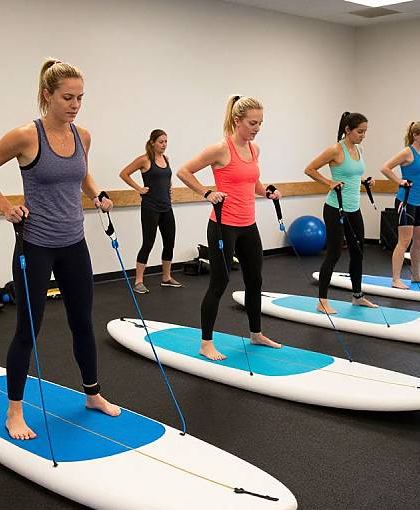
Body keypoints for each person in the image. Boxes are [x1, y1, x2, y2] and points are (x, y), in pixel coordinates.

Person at [0, 58, 120, 441]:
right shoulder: (25, 136)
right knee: (28, 330)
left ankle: (93, 394)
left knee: (83, 323)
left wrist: (97, 193)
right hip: (35, 245)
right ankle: (14, 412)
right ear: (46, 96)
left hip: (74, 243)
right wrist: (6, 206)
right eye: (67, 97)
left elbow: (81, 171)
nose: (75, 104)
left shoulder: (82, 135)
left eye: (80, 97)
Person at [177, 95, 282, 361]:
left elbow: (251, 184)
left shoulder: (254, 150)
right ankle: (206, 342)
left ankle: (256, 334)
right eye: (252, 123)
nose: (257, 128)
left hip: (249, 225)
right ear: (237, 121)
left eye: (260, 123)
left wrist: (267, 190)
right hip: (223, 226)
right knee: (219, 282)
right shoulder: (221, 149)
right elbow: (184, 171)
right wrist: (206, 192)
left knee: (255, 280)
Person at [304, 111, 378, 315]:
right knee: (334, 254)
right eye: (360, 131)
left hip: (354, 208)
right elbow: (309, 169)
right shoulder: (335, 149)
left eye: (365, 131)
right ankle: (322, 301)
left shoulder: (359, 149)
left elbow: (352, 173)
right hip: (335, 208)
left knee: (358, 253)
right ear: (347, 130)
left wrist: (364, 181)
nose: (363, 135)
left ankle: (357, 296)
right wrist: (329, 182)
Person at [119, 130, 182, 293]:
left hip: (166, 207)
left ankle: (166, 278)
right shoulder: (144, 160)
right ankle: (138, 281)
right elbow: (124, 173)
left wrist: (169, 189)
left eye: (166, 142)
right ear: (153, 142)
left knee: (170, 243)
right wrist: (139, 188)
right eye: (161, 142)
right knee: (148, 243)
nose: (164, 145)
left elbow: (166, 178)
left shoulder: (166, 160)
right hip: (150, 208)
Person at [381, 121, 420, 289]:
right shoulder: (407, 152)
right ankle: (395, 279)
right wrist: (400, 181)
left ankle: (416, 275)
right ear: (415, 135)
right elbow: (385, 168)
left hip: (419, 202)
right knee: (404, 241)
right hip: (406, 201)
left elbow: (418, 174)